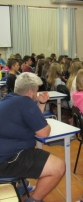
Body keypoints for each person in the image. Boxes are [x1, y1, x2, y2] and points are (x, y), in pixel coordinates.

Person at [0, 72, 65, 202]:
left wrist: (41, 103)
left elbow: (32, 119)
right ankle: (33, 200)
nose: (36, 94)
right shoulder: (26, 102)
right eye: (36, 92)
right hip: (7, 160)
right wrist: (46, 125)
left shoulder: (9, 98)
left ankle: (20, 188)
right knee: (58, 167)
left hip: (6, 153)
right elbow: (43, 132)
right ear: (30, 92)